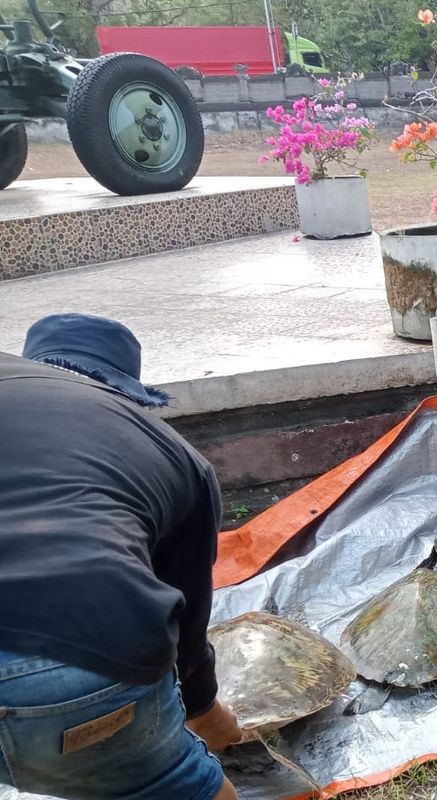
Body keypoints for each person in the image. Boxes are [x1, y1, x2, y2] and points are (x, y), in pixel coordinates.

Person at [0, 313, 242, 799]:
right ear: (126, 390)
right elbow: (186, 632)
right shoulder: (172, 453)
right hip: (65, 666)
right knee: (177, 784)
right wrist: (207, 715)